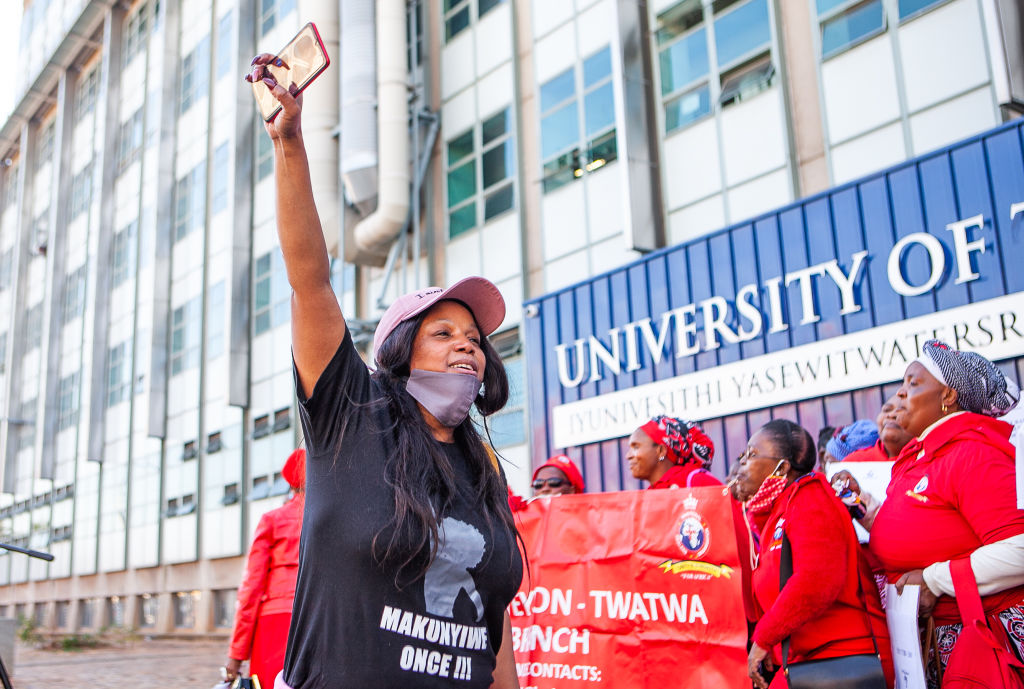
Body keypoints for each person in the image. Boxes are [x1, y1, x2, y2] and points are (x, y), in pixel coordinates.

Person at [245, 56, 523, 689]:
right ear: (400, 350)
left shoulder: (483, 470)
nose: (466, 347)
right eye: (443, 333)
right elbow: (310, 280)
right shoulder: (352, 416)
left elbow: (491, 624)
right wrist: (290, 144)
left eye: (475, 340)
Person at [867, 340, 1024, 684]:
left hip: (982, 641)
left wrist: (935, 579)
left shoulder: (972, 453)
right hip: (933, 641)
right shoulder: (920, 456)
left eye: (913, 383)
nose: (900, 394)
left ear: (948, 396)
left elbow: (1019, 548)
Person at [737, 419, 893, 689]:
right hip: (814, 660)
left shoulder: (810, 496)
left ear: (781, 468)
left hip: (846, 659)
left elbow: (816, 581)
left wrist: (764, 638)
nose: (742, 462)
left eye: (752, 454)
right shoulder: (781, 509)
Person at [223, 449, 306, 686]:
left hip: (274, 623)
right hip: (317, 618)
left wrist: (236, 656)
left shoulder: (272, 520)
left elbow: (251, 590)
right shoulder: (331, 521)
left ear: (290, 484)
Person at [626, 415, 721, 488]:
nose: (628, 456)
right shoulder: (648, 495)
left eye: (636, 447)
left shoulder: (698, 482)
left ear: (661, 451)